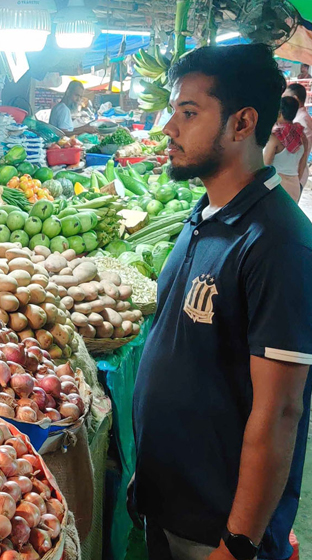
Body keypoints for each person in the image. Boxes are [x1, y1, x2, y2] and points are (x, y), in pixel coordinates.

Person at [132, 43, 312, 560]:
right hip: (169, 505)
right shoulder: (205, 216)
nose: (169, 127)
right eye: (173, 111)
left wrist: (237, 543)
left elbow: (280, 412)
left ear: (241, 123)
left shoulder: (279, 243)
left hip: (215, 531)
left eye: (188, 113)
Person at [263, 96, 308, 202]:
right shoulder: (302, 136)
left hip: (275, 185)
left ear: (279, 112)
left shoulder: (275, 138)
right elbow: (302, 164)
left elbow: (265, 167)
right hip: (294, 185)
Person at [283, 82, 312, 187]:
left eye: (285, 97)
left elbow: (303, 152)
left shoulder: (302, 121)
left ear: (294, 99)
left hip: (294, 174)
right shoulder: (296, 119)